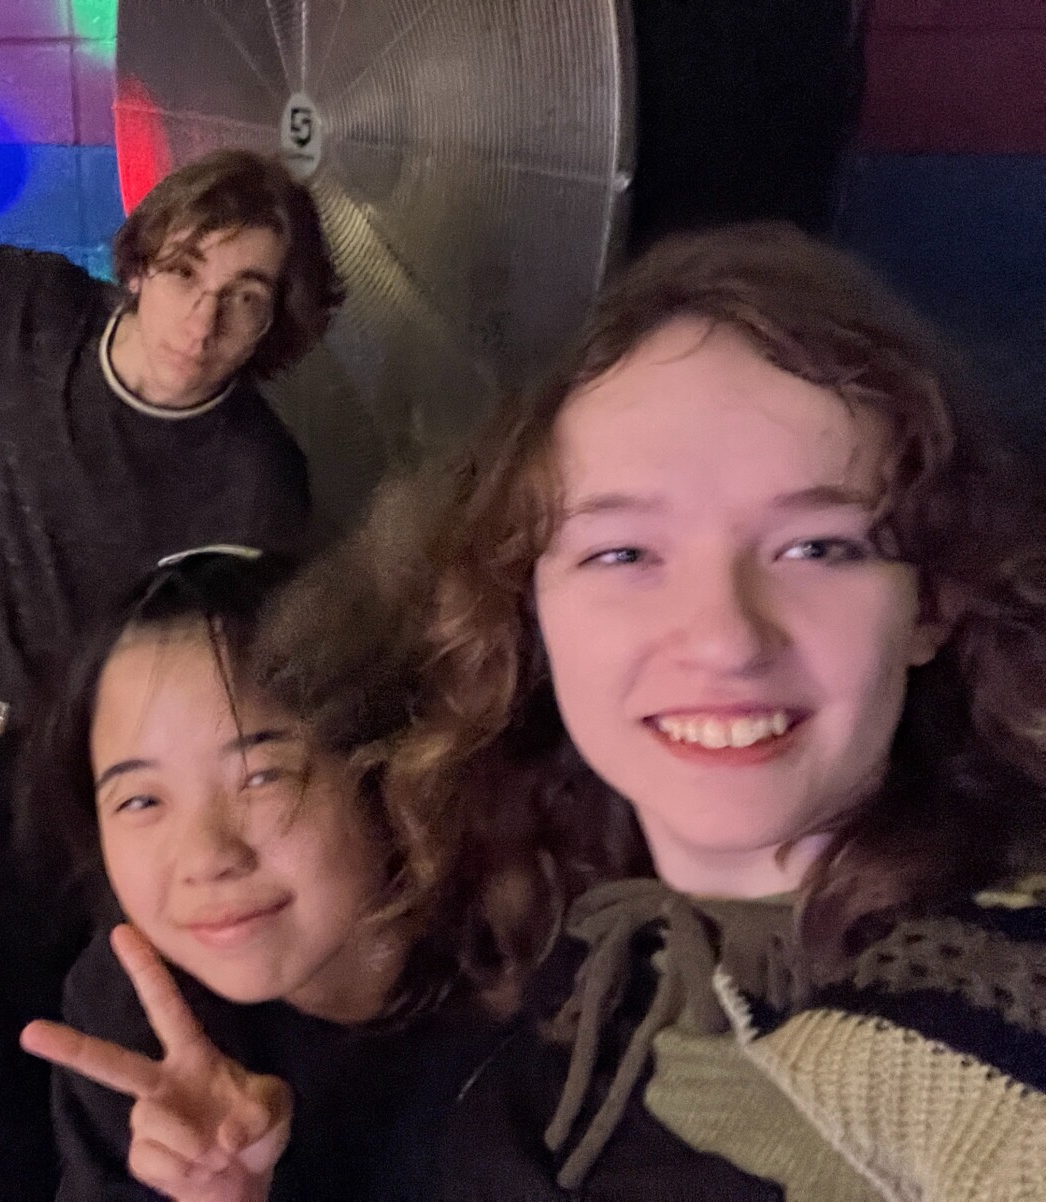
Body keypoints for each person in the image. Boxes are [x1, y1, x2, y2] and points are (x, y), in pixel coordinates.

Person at [258, 223, 1046, 1199]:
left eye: (816, 547)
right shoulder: (545, 948)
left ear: (930, 601)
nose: (724, 638)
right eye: (624, 553)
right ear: (525, 606)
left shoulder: (1010, 1032)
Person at [0, 149, 345, 1202]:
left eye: (244, 297)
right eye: (185, 272)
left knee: (26, 1073)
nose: (203, 319)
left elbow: (232, 689)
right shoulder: (27, 308)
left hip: (52, 795)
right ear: (140, 265)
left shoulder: (257, 479)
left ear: (273, 321)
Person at [14, 550, 496, 1201]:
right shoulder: (132, 1023)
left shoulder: (542, 985)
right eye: (141, 800)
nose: (206, 857)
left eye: (262, 777)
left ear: (385, 770)